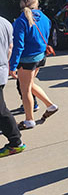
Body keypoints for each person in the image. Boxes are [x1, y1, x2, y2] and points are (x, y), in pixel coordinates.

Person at [9, 0, 58, 130]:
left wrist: (12, 66)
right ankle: (50, 105)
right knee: (29, 85)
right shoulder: (44, 18)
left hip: (27, 60)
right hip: (40, 56)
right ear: (36, 3)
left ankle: (29, 120)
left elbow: (18, 46)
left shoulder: (20, 21)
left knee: (25, 90)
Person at [0, 16, 26, 157]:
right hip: (2, 69)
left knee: (1, 110)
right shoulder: (5, 22)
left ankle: (15, 142)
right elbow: (10, 48)